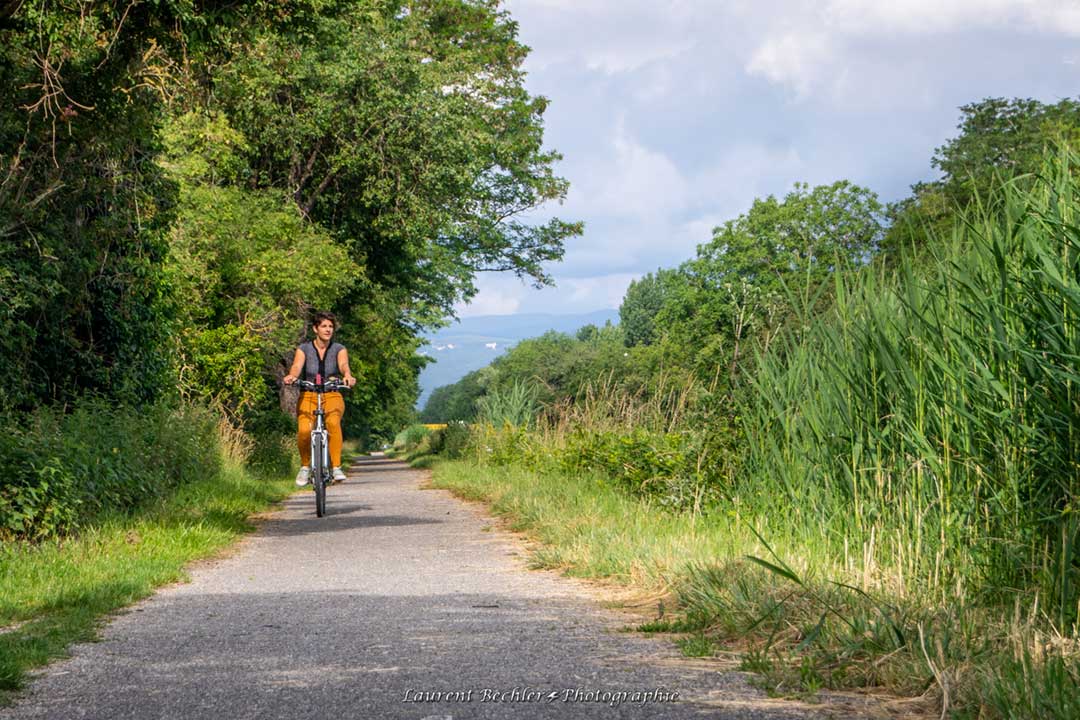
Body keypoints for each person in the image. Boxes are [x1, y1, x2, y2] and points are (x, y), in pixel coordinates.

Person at [283, 312, 357, 486]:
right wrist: (292, 376)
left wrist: (347, 375)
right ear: (315, 329)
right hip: (309, 394)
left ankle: (336, 466)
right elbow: (297, 365)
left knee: (332, 423)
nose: (328, 329)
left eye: (330, 326)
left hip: (332, 393)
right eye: (324, 326)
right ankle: (305, 467)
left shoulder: (339, 348)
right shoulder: (304, 348)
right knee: (303, 430)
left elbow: (343, 365)